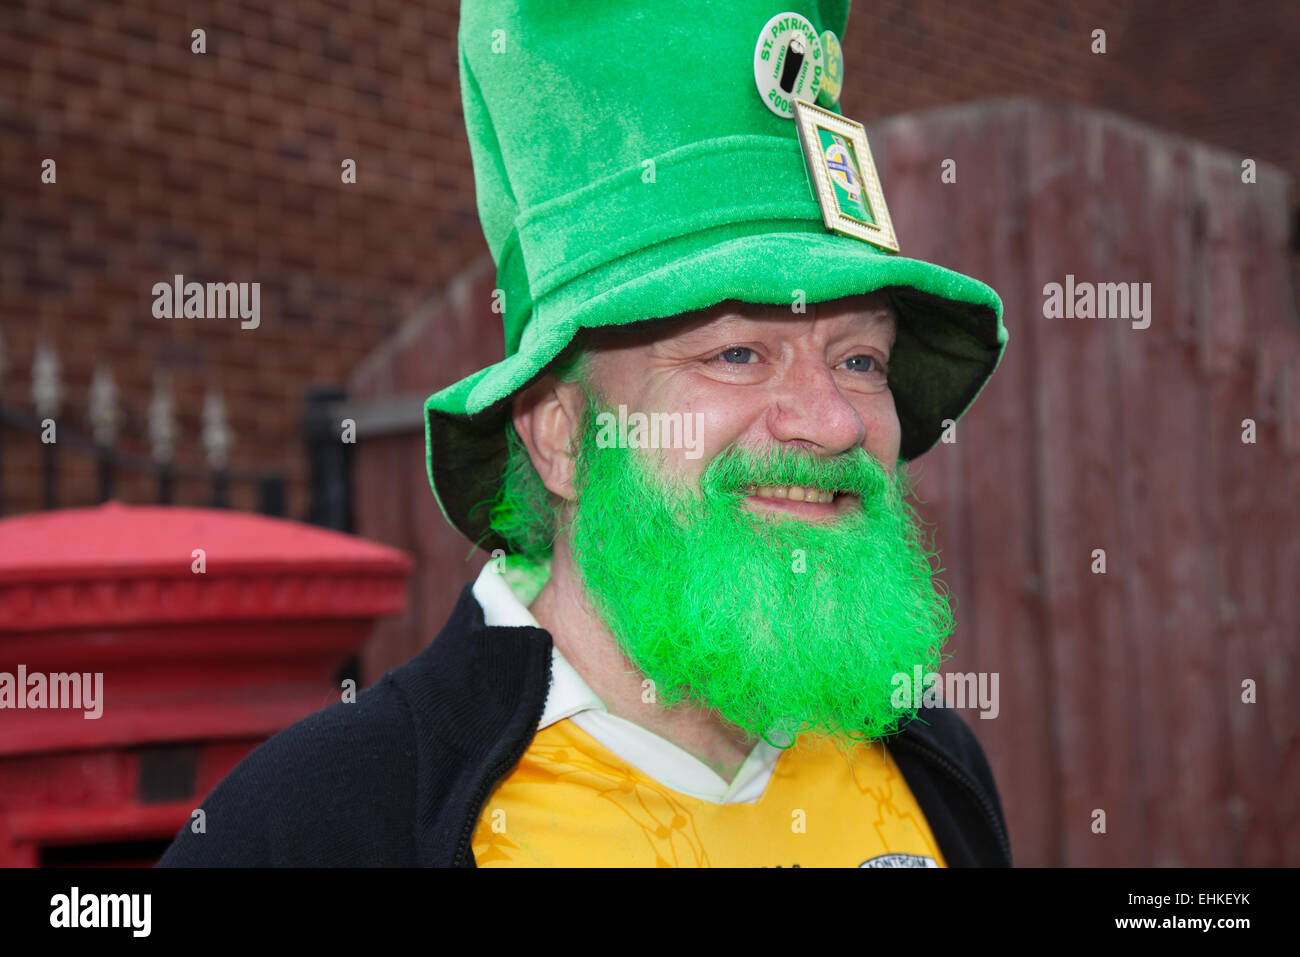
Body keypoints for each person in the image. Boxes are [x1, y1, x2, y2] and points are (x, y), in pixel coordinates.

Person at [159, 0, 1011, 868]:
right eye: (738, 352)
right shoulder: (317, 829)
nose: (834, 421)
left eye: (862, 359)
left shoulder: (934, 768)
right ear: (561, 435)